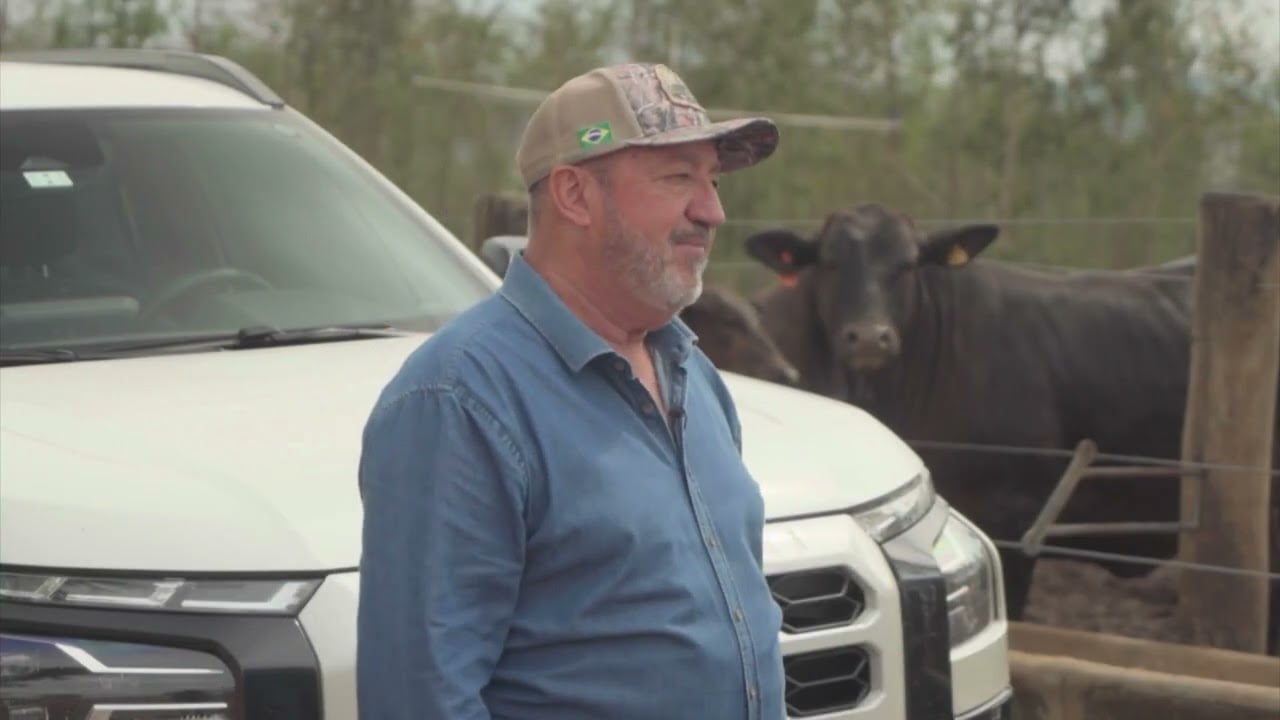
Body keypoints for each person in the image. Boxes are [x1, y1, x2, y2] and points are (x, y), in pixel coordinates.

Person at [356, 62, 785, 720]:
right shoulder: (458, 399)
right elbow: (422, 699)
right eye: (678, 178)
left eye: (714, 180)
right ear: (575, 195)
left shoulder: (691, 371)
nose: (713, 210)